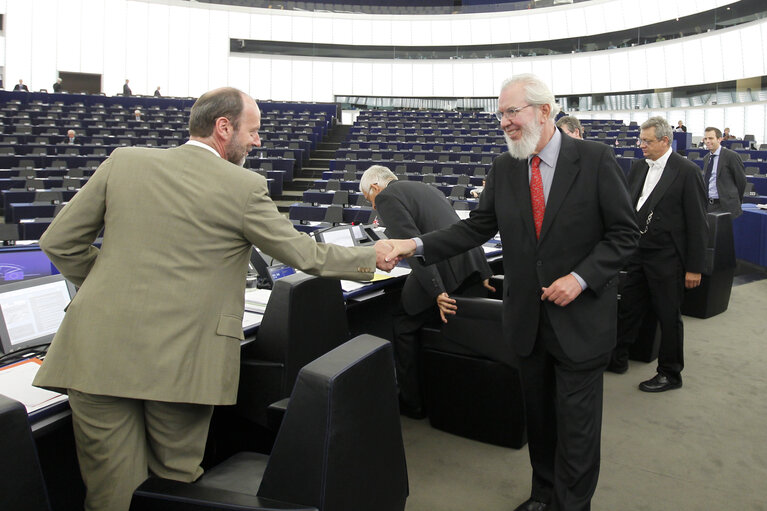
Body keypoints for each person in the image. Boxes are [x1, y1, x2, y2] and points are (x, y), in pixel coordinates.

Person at [32, 87, 397, 511]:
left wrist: (107, 285)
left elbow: (58, 241)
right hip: (183, 362)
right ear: (224, 127)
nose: (258, 142)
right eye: (254, 131)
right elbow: (306, 254)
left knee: (109, 491)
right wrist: (375, 254)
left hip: (95, 355)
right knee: (174, 485)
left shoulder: (123, 161)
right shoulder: (244, 186)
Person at [384, 73, 639, 511]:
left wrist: (579, 278)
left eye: (511, 112)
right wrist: (415, 244)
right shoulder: (505, 167)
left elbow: (624, 234)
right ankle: (542, 496)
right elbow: (474, 228)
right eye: (499, 114)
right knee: (539, 423)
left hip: (581, 324)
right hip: (527, 325)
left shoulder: (595, 159)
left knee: (576, 431)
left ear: (543, 111)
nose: (503, 122)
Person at [359, 165, 494, 419]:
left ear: (375, 188)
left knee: (403, 322)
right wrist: (485, 271)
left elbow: (411, 247)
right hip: (469, 267)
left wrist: (437, 292)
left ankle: (411, 402)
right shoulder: (423, 187)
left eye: (370, 200)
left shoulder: (387, 197)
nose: (374, 208)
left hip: (443, 273)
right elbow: (459, 230)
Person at [608, 117, 708, 392]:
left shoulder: (686, 171)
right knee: (629, 308)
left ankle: (670, 373)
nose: (641, 146)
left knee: (668, 316)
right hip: (637, 253)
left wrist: (695, 267)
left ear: (665, 141)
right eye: (640, 140)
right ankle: (618, 358)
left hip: (668, 258)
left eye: (647, 141)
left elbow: (698, 223)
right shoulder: (639, 167)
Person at [702, 127, 747, 219]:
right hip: (709, 206)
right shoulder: (706, 158)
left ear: (719, 139)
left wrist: (734, 200)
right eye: (705, 139)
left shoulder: (731, 156)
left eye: (711, 138)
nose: (707, 141)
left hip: (726, 206)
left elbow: (741, 181)